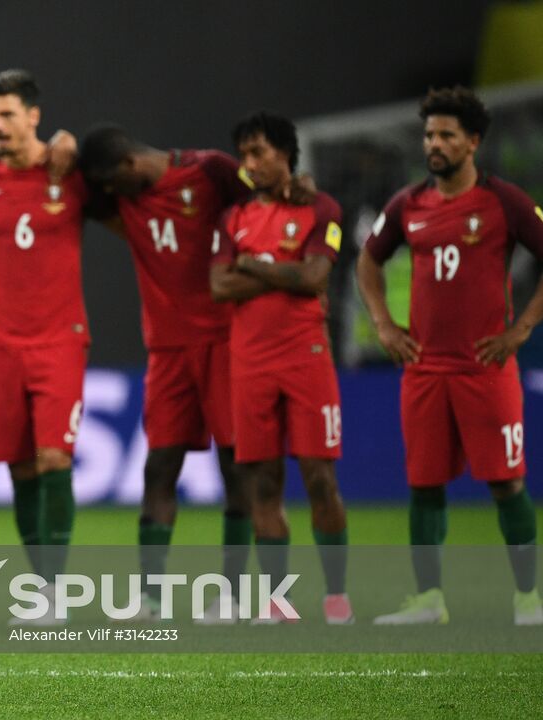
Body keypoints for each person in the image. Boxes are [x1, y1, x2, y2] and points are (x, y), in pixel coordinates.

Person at [359, 86, 542, 626]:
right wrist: (383, 324)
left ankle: (530, 597)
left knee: (506, 481)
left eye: (446, 135)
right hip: (424, 369)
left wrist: (522, 327)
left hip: (485, 368)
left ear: (473, 142)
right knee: (424, 483)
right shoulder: (406, 204)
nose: (433, 143)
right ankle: (429, 600)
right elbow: (367, 263)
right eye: (429, 134)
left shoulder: (504, 201)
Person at [76, 125, 256, 618]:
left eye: (113, 184)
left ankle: (236, 593)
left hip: (225, 341)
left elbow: (267, 210)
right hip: (167, 351)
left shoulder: (212, 171)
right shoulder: (126, 198)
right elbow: (78, 195)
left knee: (236, 467)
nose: (110, 198)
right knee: (159, 467)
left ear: (130, 167)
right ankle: (152, 596)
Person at [209, 111, 352, 625]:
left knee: (319, 478)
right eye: (244, 155)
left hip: (306, 357)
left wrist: (254, 264)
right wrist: (279, 273)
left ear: (286, 155)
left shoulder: (322, 209)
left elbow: (315, 277)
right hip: (249, 363)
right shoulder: (232, 218)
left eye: (259, 153)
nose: (249, 164)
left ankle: (336, 595)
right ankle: (278, 600)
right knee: (263, 485)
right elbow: (218, 286)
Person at [0, 69, 87, 594]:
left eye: (8, 114)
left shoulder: (72, 172)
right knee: (19, 467)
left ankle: (55, 587)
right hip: (0, 342)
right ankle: (41, 583)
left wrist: (74, 143)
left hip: (60, 338)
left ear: (33, 116)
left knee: (54, 456)